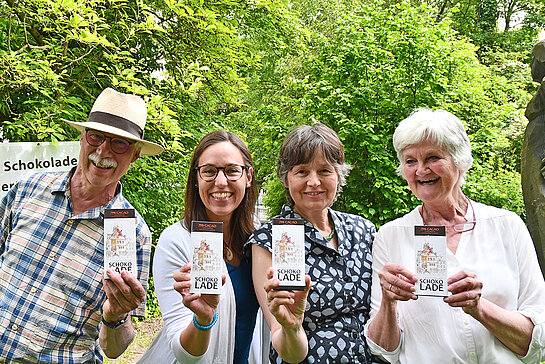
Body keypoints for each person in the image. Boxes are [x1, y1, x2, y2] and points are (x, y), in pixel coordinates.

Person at [364, 108, 545, 363]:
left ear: (459, 161)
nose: (421, 170)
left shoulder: (506, 226)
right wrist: (389, 302)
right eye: (410, 161)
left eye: (433, 157)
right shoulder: (391, 236)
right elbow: (385, 350)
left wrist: (479, 308)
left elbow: (538, 341)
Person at [0, 87, 164, 363]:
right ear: (82, 136)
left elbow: (114, 349)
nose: (102, 151)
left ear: (135, 155)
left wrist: (115, 316)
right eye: (96, 136)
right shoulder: (29, 189)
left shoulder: (134, 234)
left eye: (119, 143)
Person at [247, 123, 382, 363]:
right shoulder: (269, 239)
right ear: (286, 179)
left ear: (338, 176)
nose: (314, 182)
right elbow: (284, 345)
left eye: (324, 171)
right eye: (301, 172)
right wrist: (291, 328)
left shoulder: (364, 230)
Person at [138, 130, 262, 364]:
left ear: (249, 176)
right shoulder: (175, 241)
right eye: (209, 171)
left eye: (232, 170)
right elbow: (184, 355)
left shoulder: (260, 243)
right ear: (196, 179)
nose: (221, 182)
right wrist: (203, 320)